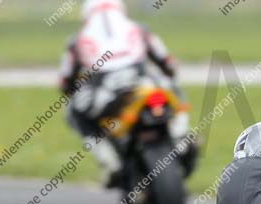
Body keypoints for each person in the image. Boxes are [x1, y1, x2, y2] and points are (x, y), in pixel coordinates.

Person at [58, 0, 187, 188]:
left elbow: (65, 81)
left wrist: (75, 89)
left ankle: (110, 163)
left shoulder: (77, 40)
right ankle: (181, 136)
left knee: (73, 111)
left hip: (105, 95)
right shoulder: (139, 29)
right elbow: (167, 62)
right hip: (144, 84)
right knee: (172, 88)